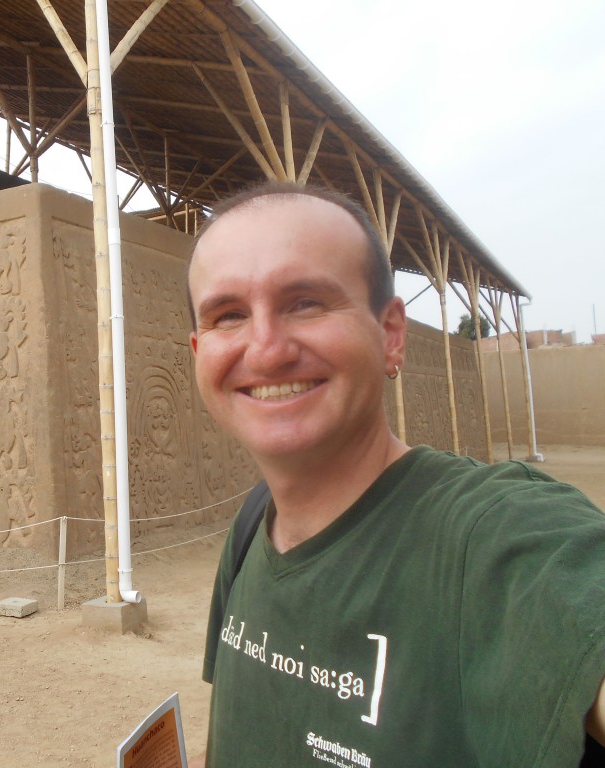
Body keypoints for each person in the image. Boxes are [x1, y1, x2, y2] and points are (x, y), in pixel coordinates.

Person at [186, 182, 605, 766]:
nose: (266, 347)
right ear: (197, 351)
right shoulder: (252, 527)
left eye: (305, 302)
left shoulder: (486, 537)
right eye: (228, 315)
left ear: (390, 334)